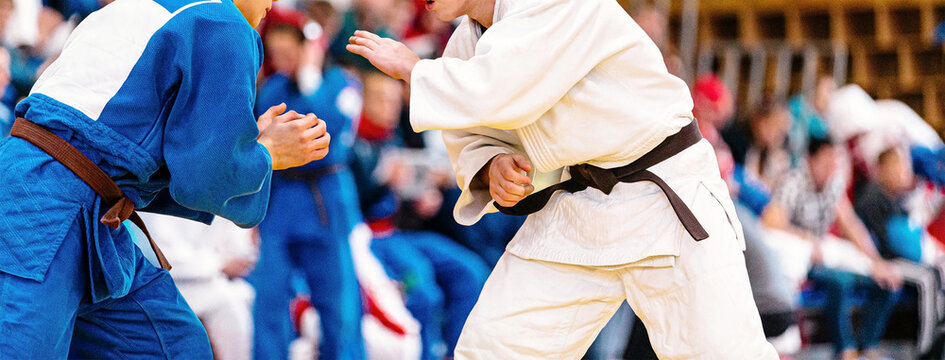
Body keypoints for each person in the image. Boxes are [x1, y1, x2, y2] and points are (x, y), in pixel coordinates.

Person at [346, 0, 777, 358]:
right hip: (575, 209)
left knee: (723, 352)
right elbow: (474, 129)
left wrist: (414, 70)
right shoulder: (465, 45)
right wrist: (493, 164)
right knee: (494, 347)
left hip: (663, 197)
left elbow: (502, 88)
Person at [0, 0, 330, 357]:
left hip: (55, 190)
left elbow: (125, 140)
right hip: (44, 207)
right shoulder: (222, 21)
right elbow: (205, 176)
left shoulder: (134, 6)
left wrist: (241, 145)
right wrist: (266, 155)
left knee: (173, 346)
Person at [763, 137, 902, 360]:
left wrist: (876, 261)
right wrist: (807, 239)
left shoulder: (834, 184)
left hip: (826, 254)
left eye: (834, 161)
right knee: (841, 281)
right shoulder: (793, 181)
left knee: (887, 282)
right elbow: (770, 222)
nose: (831, 167)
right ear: (811, 159)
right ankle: (844, 350)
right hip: (803, 259)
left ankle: (868, 346)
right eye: (825, 161)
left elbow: (851, 225)